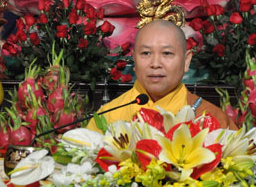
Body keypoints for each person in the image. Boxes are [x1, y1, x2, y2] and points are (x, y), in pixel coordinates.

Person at [87, 19, 237, 129]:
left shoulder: (211, 118)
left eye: (167, 53)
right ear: (134, 60)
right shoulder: (108, 117)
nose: (155, 63)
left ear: (186, 61)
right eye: (146, 53)